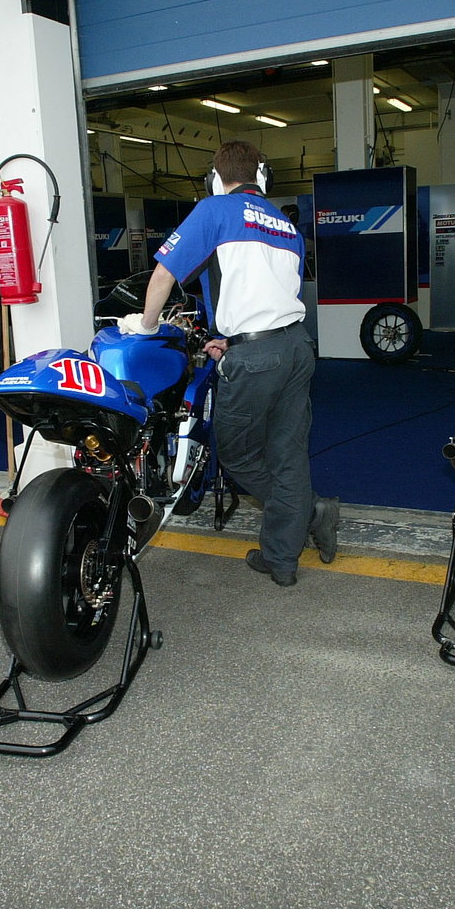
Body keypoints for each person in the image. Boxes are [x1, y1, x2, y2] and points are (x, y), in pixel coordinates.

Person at [122, 140, 338, 587]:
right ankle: (283, 558)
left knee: (236, 456)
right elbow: (275, 295)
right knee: (288, 456)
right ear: (262, 177)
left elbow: (164, 274)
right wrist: (234, 339)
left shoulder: (215, 209)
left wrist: (145, 326)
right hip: (296, 347)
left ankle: (308, 512)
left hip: (256, 359)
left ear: (215, 180)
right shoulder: (285, 224)